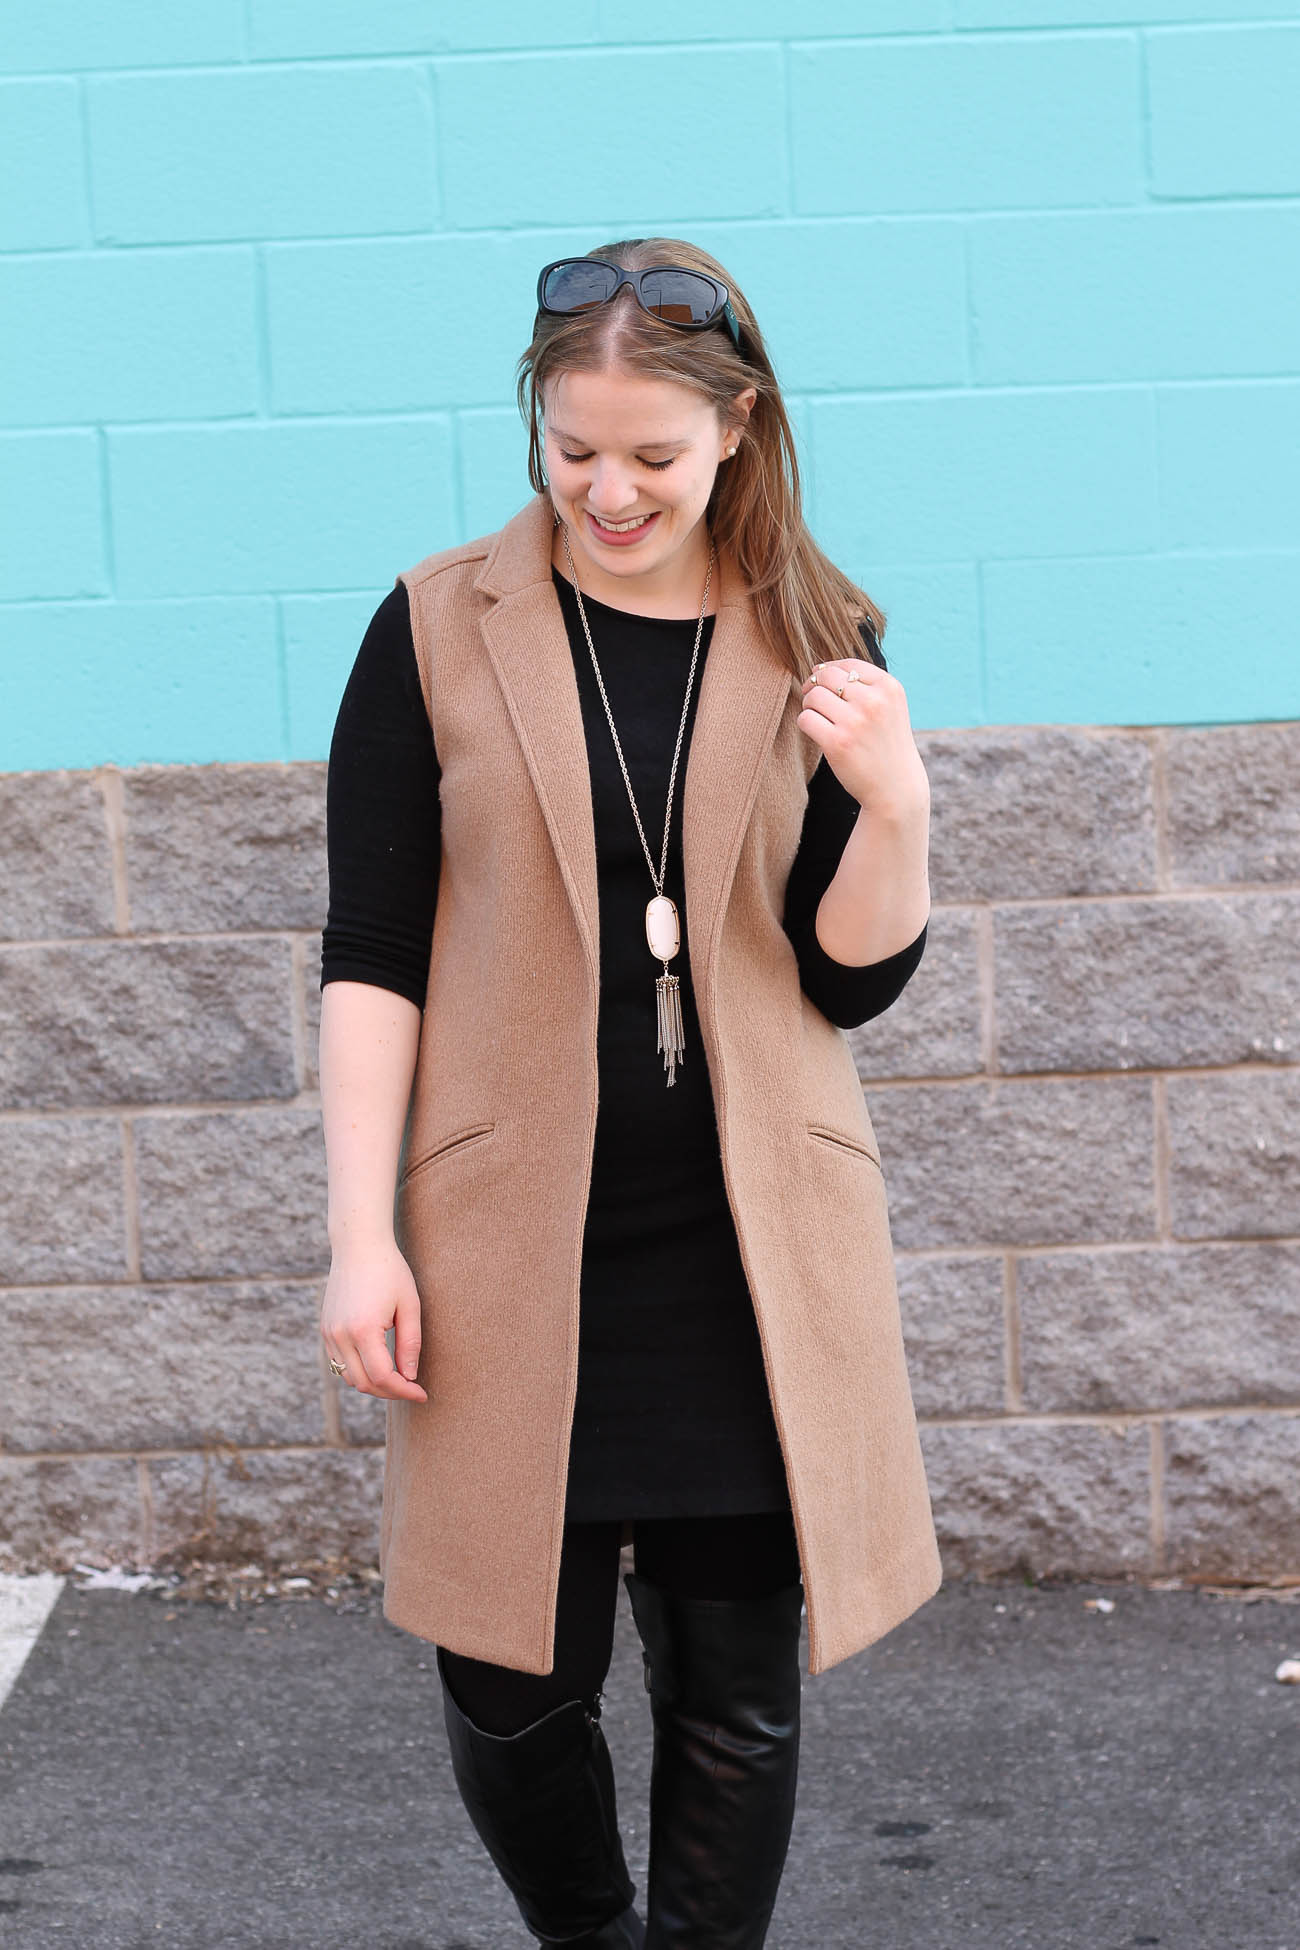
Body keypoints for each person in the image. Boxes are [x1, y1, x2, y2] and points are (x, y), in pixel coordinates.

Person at [317, 239, 942, 1948]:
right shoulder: (441, 625)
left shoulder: (823, 629)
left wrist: (894, 807)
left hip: (749, 1256)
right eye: (573, 447)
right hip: (512, 1245)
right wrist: (357, 1232)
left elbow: (850, 977)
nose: (609, 490)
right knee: (512, 1681)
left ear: (738, 433)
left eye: (653, 457)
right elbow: (372, 950)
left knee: (733, 1690)